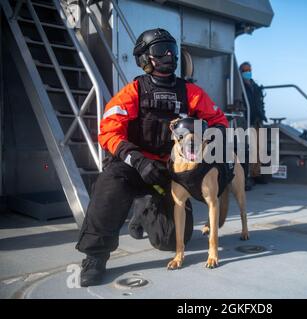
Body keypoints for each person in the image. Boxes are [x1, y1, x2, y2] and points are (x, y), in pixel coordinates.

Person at [76, 28, 229, 287]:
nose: (168, 55)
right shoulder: (132, 92)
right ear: (145, 58)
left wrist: (207, 140)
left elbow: (219, 122)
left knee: (170, 241)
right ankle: (95, 255)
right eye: (160, 50)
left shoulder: (191, 93)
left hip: (172, 172)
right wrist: (136, 159)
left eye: (172, 49)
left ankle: (144, 209)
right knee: (111, 181)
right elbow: (108, 132)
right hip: (136, 166)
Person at [240, 62, 268, 187]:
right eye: (246, 70)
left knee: (259, 148)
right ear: (241, 72)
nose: (248, 72)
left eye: (249, 70)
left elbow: (260, 102)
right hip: (247, 121)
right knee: (249, 149)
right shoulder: (240, 86)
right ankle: (248, 175)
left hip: (257, 119)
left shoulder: (255, 86)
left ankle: (257, 174)